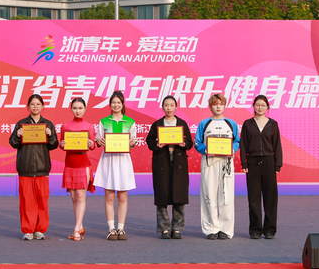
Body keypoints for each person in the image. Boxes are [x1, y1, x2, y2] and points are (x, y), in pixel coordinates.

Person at [9, 94, 59, 241]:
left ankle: (40, 230)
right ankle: (28, 230)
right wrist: (18, 135)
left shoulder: (48, 124)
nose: (35, 106)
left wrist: (50, 135)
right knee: (27, 201)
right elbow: (13, 143)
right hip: (25, 168)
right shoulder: (21, 124)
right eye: (32, 104)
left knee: (42, 200)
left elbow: (54, 145)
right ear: (28, 106)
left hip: (42, 168)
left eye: (38, 104)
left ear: (43, 106)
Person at [146, 96, 194, 239]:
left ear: (176, 107)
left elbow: (190, 143)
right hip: (162, 162)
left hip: (178, 162)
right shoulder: (157, 124)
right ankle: (165, 229)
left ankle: (177, 228)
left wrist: (183, 144)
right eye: (166, 105)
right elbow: (149, 141)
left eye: (171, 105)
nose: (169, 108)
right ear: (162, 107)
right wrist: (157, 144)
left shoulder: (182, 124)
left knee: (179, 195)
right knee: (162, 195)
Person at [194, 93, 240, 240]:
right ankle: (211, 229)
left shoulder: (231, 123)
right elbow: (197, 143)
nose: (218, 107)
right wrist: (205, 149)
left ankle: (226, 230)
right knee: (209, 196)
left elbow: (237, 141)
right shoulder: (204, 123)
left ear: (224, 105)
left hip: (226, 164)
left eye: (221, 104)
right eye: (215, 104)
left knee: (226, 197)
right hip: (209, 163)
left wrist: (233, 149)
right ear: (210, 107)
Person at [95, 91, 137, 241]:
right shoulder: (103, 121)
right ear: (110, 104)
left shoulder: (130, 122)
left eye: (118, 102)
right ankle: (111, 229)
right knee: (109, 196)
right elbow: (98, 139)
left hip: (123, 161)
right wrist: (99, 141)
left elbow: (134, 140)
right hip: (109, 160)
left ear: (123, 104)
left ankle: (121, 228)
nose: (116, 105)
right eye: (113, 102)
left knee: (123, 197)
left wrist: (132, 141)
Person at [240, 94, 283, 240]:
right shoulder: (248, 124)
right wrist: (244, 163)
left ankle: (270, 229)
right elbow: (243, 145)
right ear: (253, 106)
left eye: (263, 105)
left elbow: (277, 145)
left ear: (267, 107)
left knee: (271, 198)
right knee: (253, 198)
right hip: (252, 163)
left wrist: (277, 164)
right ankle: (255, 230)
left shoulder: (273, 124)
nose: (260, 107)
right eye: (257, 105)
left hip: (269, 163)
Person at [59, 98, 96, 241]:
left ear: (85, 109)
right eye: (75, 108)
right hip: (70, 164)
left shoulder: (89, 126)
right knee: (74, 197)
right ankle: (80, 227)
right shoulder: (65, 126)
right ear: (71, 109)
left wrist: (91, 143)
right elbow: (62, 144)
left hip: (83, 164)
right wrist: (62, 144)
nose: (77, 111)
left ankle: (76, 230)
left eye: (80, 108)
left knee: (81, 196)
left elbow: (93, 146)